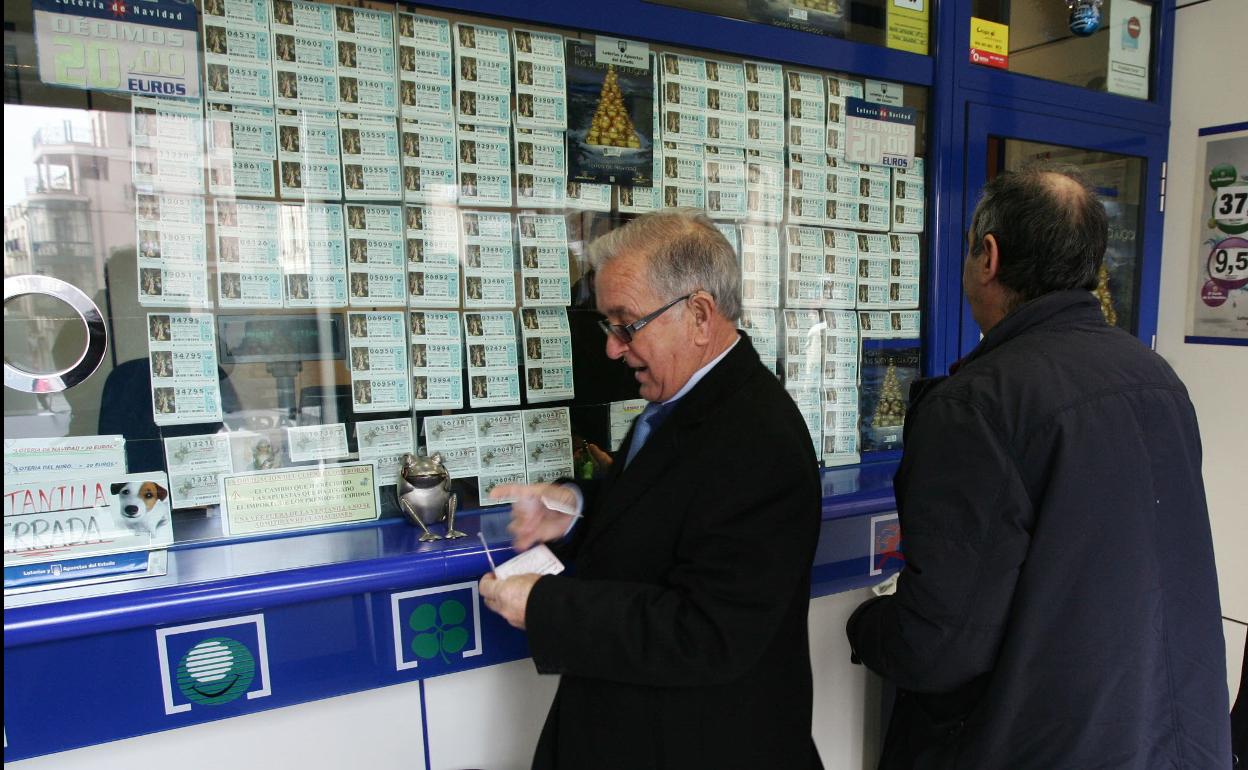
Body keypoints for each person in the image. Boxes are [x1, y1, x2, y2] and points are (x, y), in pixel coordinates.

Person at [845, 167, 1231, 768]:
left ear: (989, 257)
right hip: (1167, 738)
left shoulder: (979, 404)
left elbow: (940, 645)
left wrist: (867, 626)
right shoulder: (1155, 377)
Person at [479, 209, 824, 770]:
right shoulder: (682, 401)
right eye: (608, 326)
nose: (614, 349)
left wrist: (546, 607)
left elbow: (709, 632)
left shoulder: (758, 440)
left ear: (699, 315)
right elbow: (659, 515)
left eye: (627, 324)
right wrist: (577, 509)